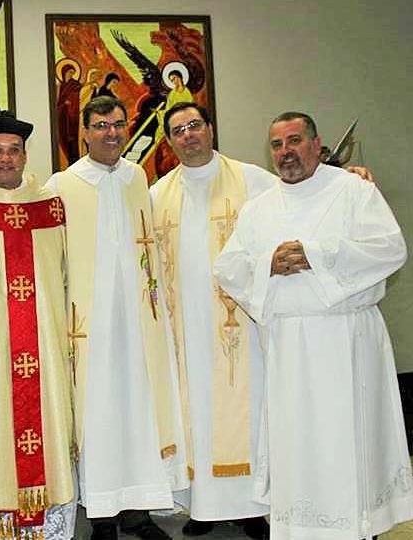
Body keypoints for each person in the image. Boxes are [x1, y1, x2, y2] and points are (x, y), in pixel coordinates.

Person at [213, 112, 413, 540]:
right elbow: (229, 267)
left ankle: (360, 529)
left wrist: (317, 255)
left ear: (317, 143)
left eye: (295, 140)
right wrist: (269, 263)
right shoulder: (259, 207)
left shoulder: (353, 191)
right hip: (289, 348)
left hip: (346, 340)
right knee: (299, 447)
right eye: (277, 145)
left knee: (347, 443)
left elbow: (389, 248)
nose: (286, 152)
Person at [46, 96, 187, 540]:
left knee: (138, 410)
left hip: (138, 322)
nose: (112, 133)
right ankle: (102, 513)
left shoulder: (137, 177)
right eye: (101, 125)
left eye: (119, 124)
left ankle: (139, 510)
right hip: (89, 327)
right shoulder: (62, 185)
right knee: (98, 414)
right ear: (84, 133)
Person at [153, 101, 277, 539]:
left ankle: (251, 508)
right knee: (195, 415)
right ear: (169, 142)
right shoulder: (158, 194)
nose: (188, 135)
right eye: (178, 130)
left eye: (194, 126)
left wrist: (347, 175)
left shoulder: (253, 180)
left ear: (209, 129)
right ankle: (203, 509)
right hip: (184, 329)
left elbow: (299, 200)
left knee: (246, 409)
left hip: (239, 326)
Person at [0, 111, 76, 540]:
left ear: (25, 156)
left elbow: (67, 276)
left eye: (14, 151)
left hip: (45, 348)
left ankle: (48, 524)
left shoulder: (51, 209)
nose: (6, 159)